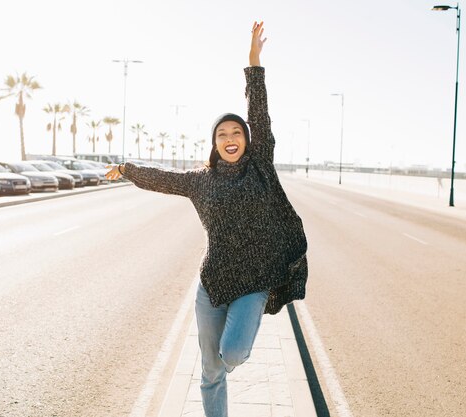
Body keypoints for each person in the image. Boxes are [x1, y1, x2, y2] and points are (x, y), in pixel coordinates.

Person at [105, 21, 308, 417]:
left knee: (231, 352)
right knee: (211, 372)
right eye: (222, 134)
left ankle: (233, 352)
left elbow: (259, 111)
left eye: (237, 132)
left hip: (255, 281)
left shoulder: (260, 166)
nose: (230, 137)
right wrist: (128, 170)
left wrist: (253, 62)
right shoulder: (200, 181)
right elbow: (163, 179)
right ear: (214, 143)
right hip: (212, 283)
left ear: (248, 140)